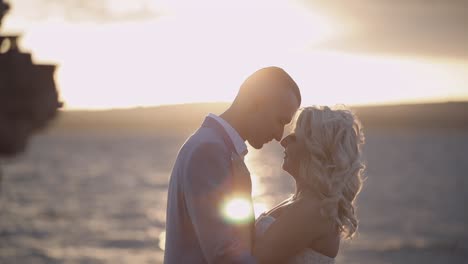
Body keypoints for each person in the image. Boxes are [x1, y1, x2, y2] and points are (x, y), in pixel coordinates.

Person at [163, 66, 301, 263]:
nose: (280, 135)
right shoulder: (209, 150)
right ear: (255, 102)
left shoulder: (212, 145)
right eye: (280, 121)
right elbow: (224, 254)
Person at [232, 105, 365, 264]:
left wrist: (242, 192)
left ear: (315, 149)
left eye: (294, 137)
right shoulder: (303, 201)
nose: (283, 141)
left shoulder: (314, 209)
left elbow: (251, 261)